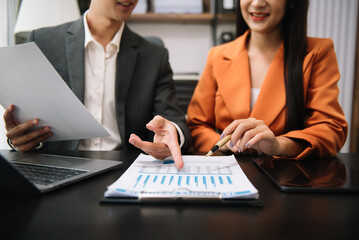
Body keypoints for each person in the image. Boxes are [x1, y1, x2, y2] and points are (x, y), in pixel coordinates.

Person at [3, 0, 190, 169]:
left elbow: (173, 119)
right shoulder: (43, 42)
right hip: (57, 166)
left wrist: (170, 133)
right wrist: (20, 140)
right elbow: (25, 122)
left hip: (124, 169)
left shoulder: (154, 56)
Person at [187, 0, 347, 159]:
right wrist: (224, 144)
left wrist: (278, 145)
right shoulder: (217, 56)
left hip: (285, 176)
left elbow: (331, 130)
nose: (256, 4)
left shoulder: (317, 53)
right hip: (230, 171)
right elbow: (196, 125)